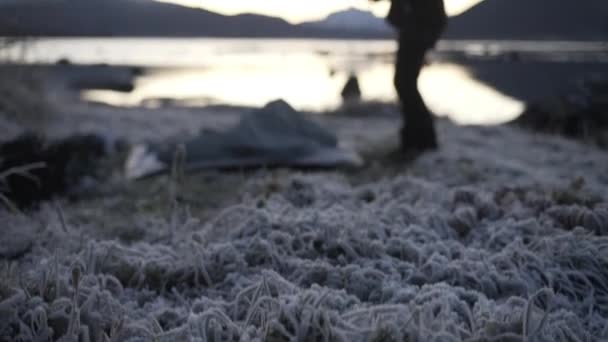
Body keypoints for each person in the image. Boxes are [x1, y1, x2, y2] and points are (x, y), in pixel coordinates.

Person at [379, 0, 447, 153]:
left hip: (418, 32)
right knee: (405, 84)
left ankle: (422, 138)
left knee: (405, 84)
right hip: (417, 31)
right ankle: (415, 137)